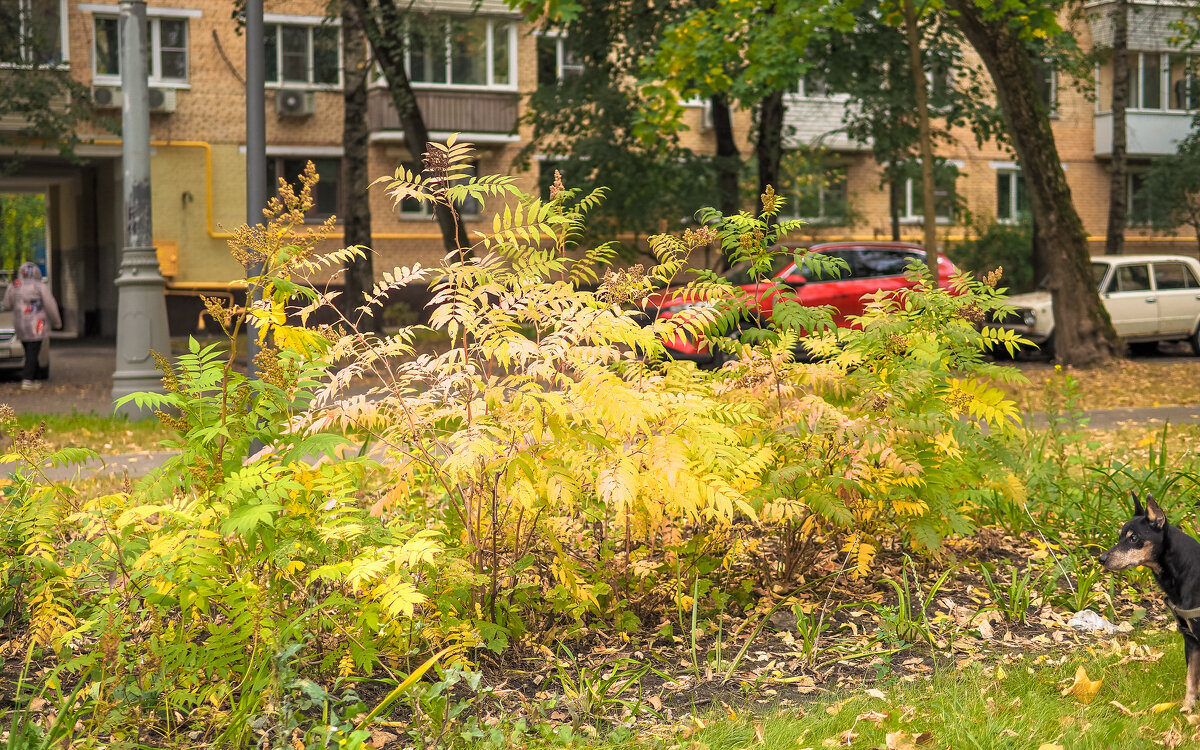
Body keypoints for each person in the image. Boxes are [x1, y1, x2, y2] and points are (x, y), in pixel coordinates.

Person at [2, 262, 61, 390]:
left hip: (20, 324)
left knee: (30, 350)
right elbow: (50, 305)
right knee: (33, 350)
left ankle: (35, 377)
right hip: (37, 324)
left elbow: (6, 304)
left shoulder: (14, 285)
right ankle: (27, 379)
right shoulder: (40, 286)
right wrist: (57, 322)